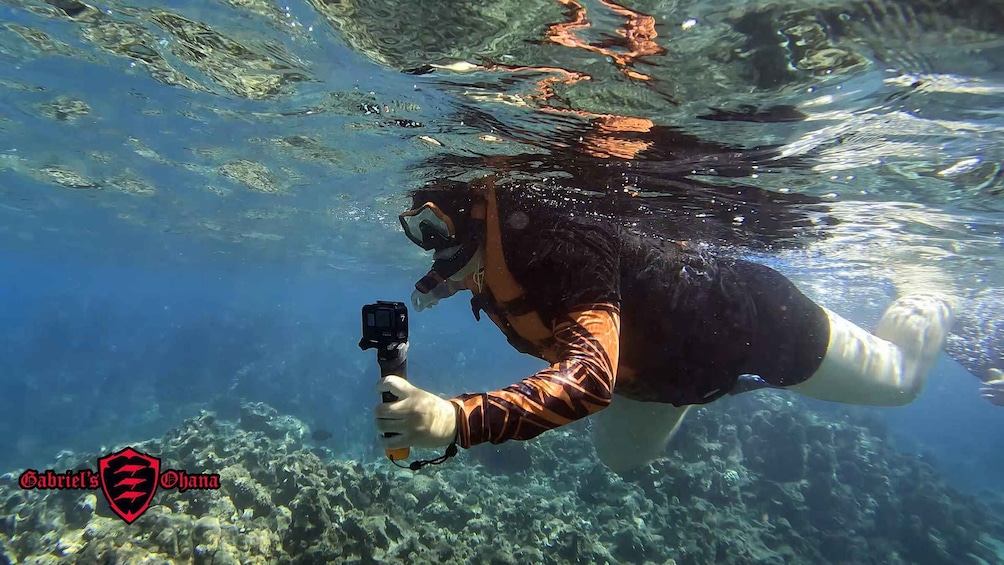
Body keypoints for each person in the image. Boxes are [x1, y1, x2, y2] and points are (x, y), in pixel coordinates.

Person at [374, 176, 956, 472]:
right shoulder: (488, 255)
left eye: (433, 230)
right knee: (621, 462)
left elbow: (587, 382)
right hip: (657, 371)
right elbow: (480, 271)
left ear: (481, 214)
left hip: (755, 324)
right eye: (416, 233)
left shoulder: (570, 248)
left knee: (902, 382)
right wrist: (439, 283)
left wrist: (456, 419)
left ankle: (931, 294)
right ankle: (704, 389)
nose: (428, 249)